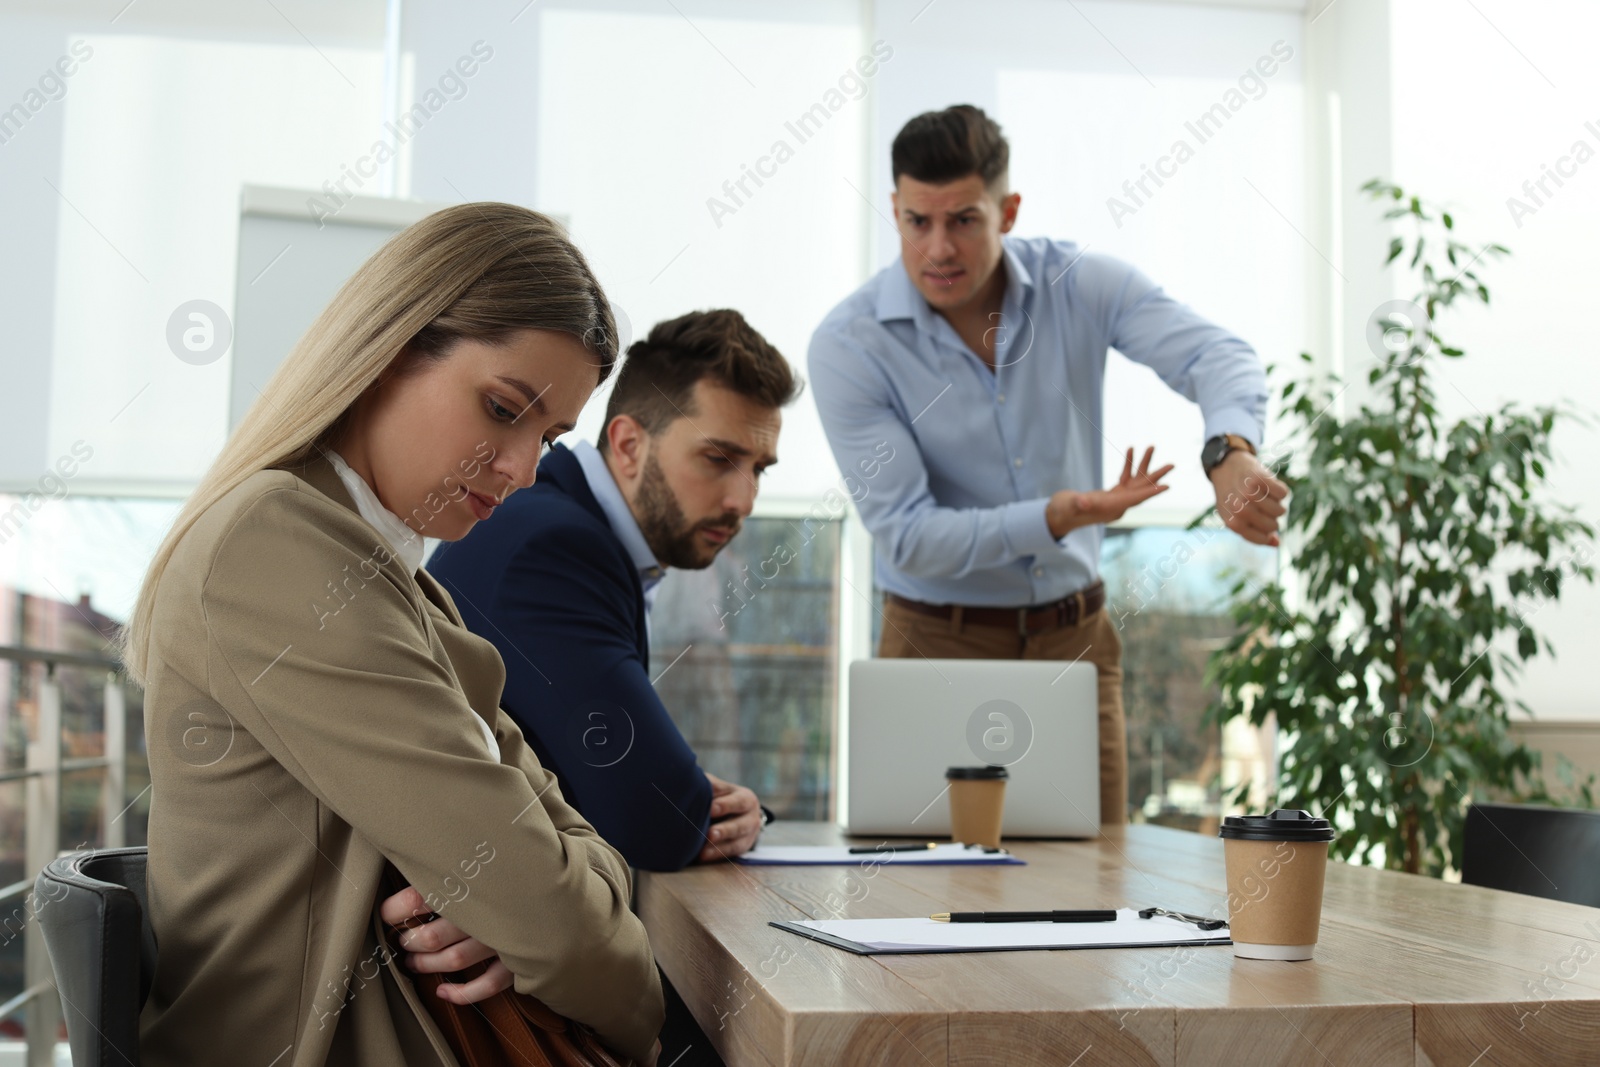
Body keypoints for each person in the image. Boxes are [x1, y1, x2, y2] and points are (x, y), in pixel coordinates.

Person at [122, 203, 664, 1065]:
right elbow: (558, 918)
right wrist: (596, 951)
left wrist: (532, 908)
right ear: (388, 351)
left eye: (551, 436)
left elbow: (578, 852)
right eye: (501, 409)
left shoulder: (400, 583)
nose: (524, 470)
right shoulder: (277, 547)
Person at [808, 104, 1287, 826]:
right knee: (923, 892)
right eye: (917, 221)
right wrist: (1055, 517)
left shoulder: (1081, 284)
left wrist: (1229, 450)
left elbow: (1215, 355)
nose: (938, 247)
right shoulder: (850, 343)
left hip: (1074, 644)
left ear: (1009, 210)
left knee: (1092, 884)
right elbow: (906, 535)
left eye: (964, 220)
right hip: (935, 640)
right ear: (896, 210)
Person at [427, 309, 800, 872]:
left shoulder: (561, 525)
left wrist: (715, 807)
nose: (743, 501)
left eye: (759, 469)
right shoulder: (556, 549)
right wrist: (712, 809)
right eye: (718, 459)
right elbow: (659, 823)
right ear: (627, 445)